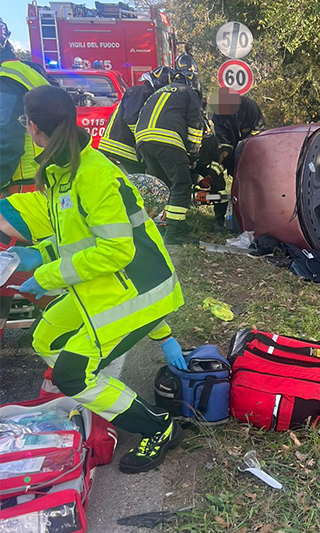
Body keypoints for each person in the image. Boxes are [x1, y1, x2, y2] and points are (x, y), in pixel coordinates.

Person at [6, 85, 187, 473]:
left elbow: (117, 250)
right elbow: (80, 242)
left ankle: (159, 426)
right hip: (108, 285)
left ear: (34, 128)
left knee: (72, 372)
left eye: (25, 123)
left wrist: (46, 273)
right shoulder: (62, 173)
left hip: (138, 291)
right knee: (47, 337)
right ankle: (96, 396)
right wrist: (39, 254)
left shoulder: (92, 174)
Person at [135, 70, 204, 244]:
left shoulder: (158, 92)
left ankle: (167, 224)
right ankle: (174, 234)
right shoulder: (189, 93)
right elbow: (196, 125)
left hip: (143, 140)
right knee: (181, 184)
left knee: (165, 185)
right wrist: (193, 154)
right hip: (167, 140)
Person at [0, 18, 51, 193]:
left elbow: (6, 143)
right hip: (41, 180)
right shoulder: (25, 71)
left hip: (17, 188)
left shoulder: (4, 81)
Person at [98, 66, 173, 174]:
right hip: (121, 148)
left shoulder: (143, 93)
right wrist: (142, 140)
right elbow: (131, 118)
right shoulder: (139, 92)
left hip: (124, 148)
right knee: (137, 184)